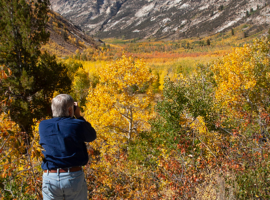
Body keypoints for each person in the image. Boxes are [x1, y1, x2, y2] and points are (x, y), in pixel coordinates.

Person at [39, 94, 96, 200]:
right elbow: (92, 135)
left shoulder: (43, 125)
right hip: (73, 176)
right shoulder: (77, 124)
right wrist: (78, 115)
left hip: (49, 177)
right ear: (70, 110)